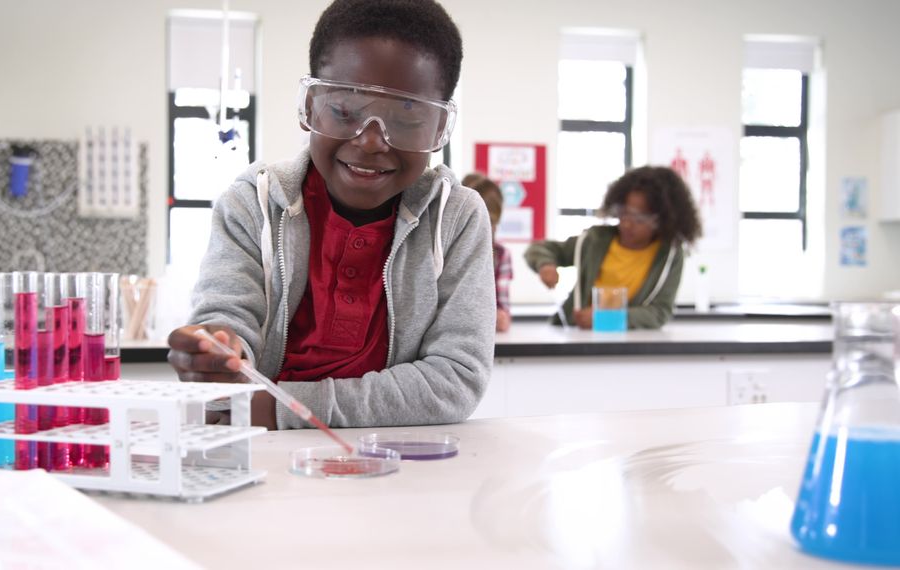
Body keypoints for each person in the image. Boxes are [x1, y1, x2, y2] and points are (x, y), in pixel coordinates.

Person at [166, 0, 494, 430]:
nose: (372, 141)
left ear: (438, 130)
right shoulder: (254, 202)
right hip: (261, 462)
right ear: (311, 106)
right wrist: (217, 353)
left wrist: (278, 408)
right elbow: (228, 323)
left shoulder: (456, 218)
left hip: (398, 467)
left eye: (406, 118)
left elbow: (455, 379)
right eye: (344, 111)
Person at [524, 166, 702, 330]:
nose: (627, 223)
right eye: (623, 213)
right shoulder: (595, 240)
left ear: (662, 221)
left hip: (627, 349)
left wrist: (606, 319)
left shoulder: (670, 255)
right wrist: (545, 265)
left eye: (639, 218)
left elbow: (660, 312)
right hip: (574, 336)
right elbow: (540, 249)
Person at [461, 172, 513, 332]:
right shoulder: (443, 252)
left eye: (491, 222)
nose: (488, 229)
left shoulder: (501, 255)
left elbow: (503, 311)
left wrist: (501, 316)